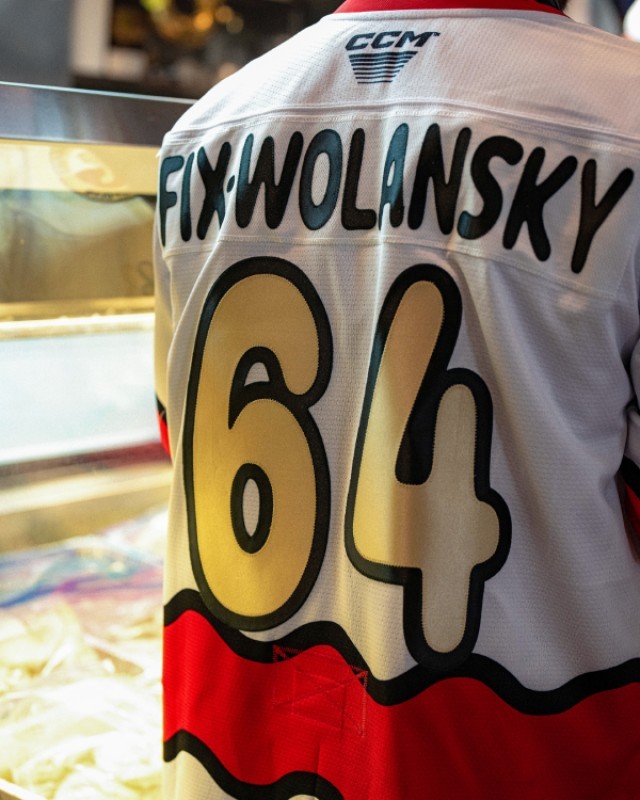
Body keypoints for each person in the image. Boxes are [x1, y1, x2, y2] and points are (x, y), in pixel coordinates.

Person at [153, 1, 640, 797]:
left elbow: (185, 450)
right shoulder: (623, 116)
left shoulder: (203, 129)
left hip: (239, 760)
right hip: (518, 762)